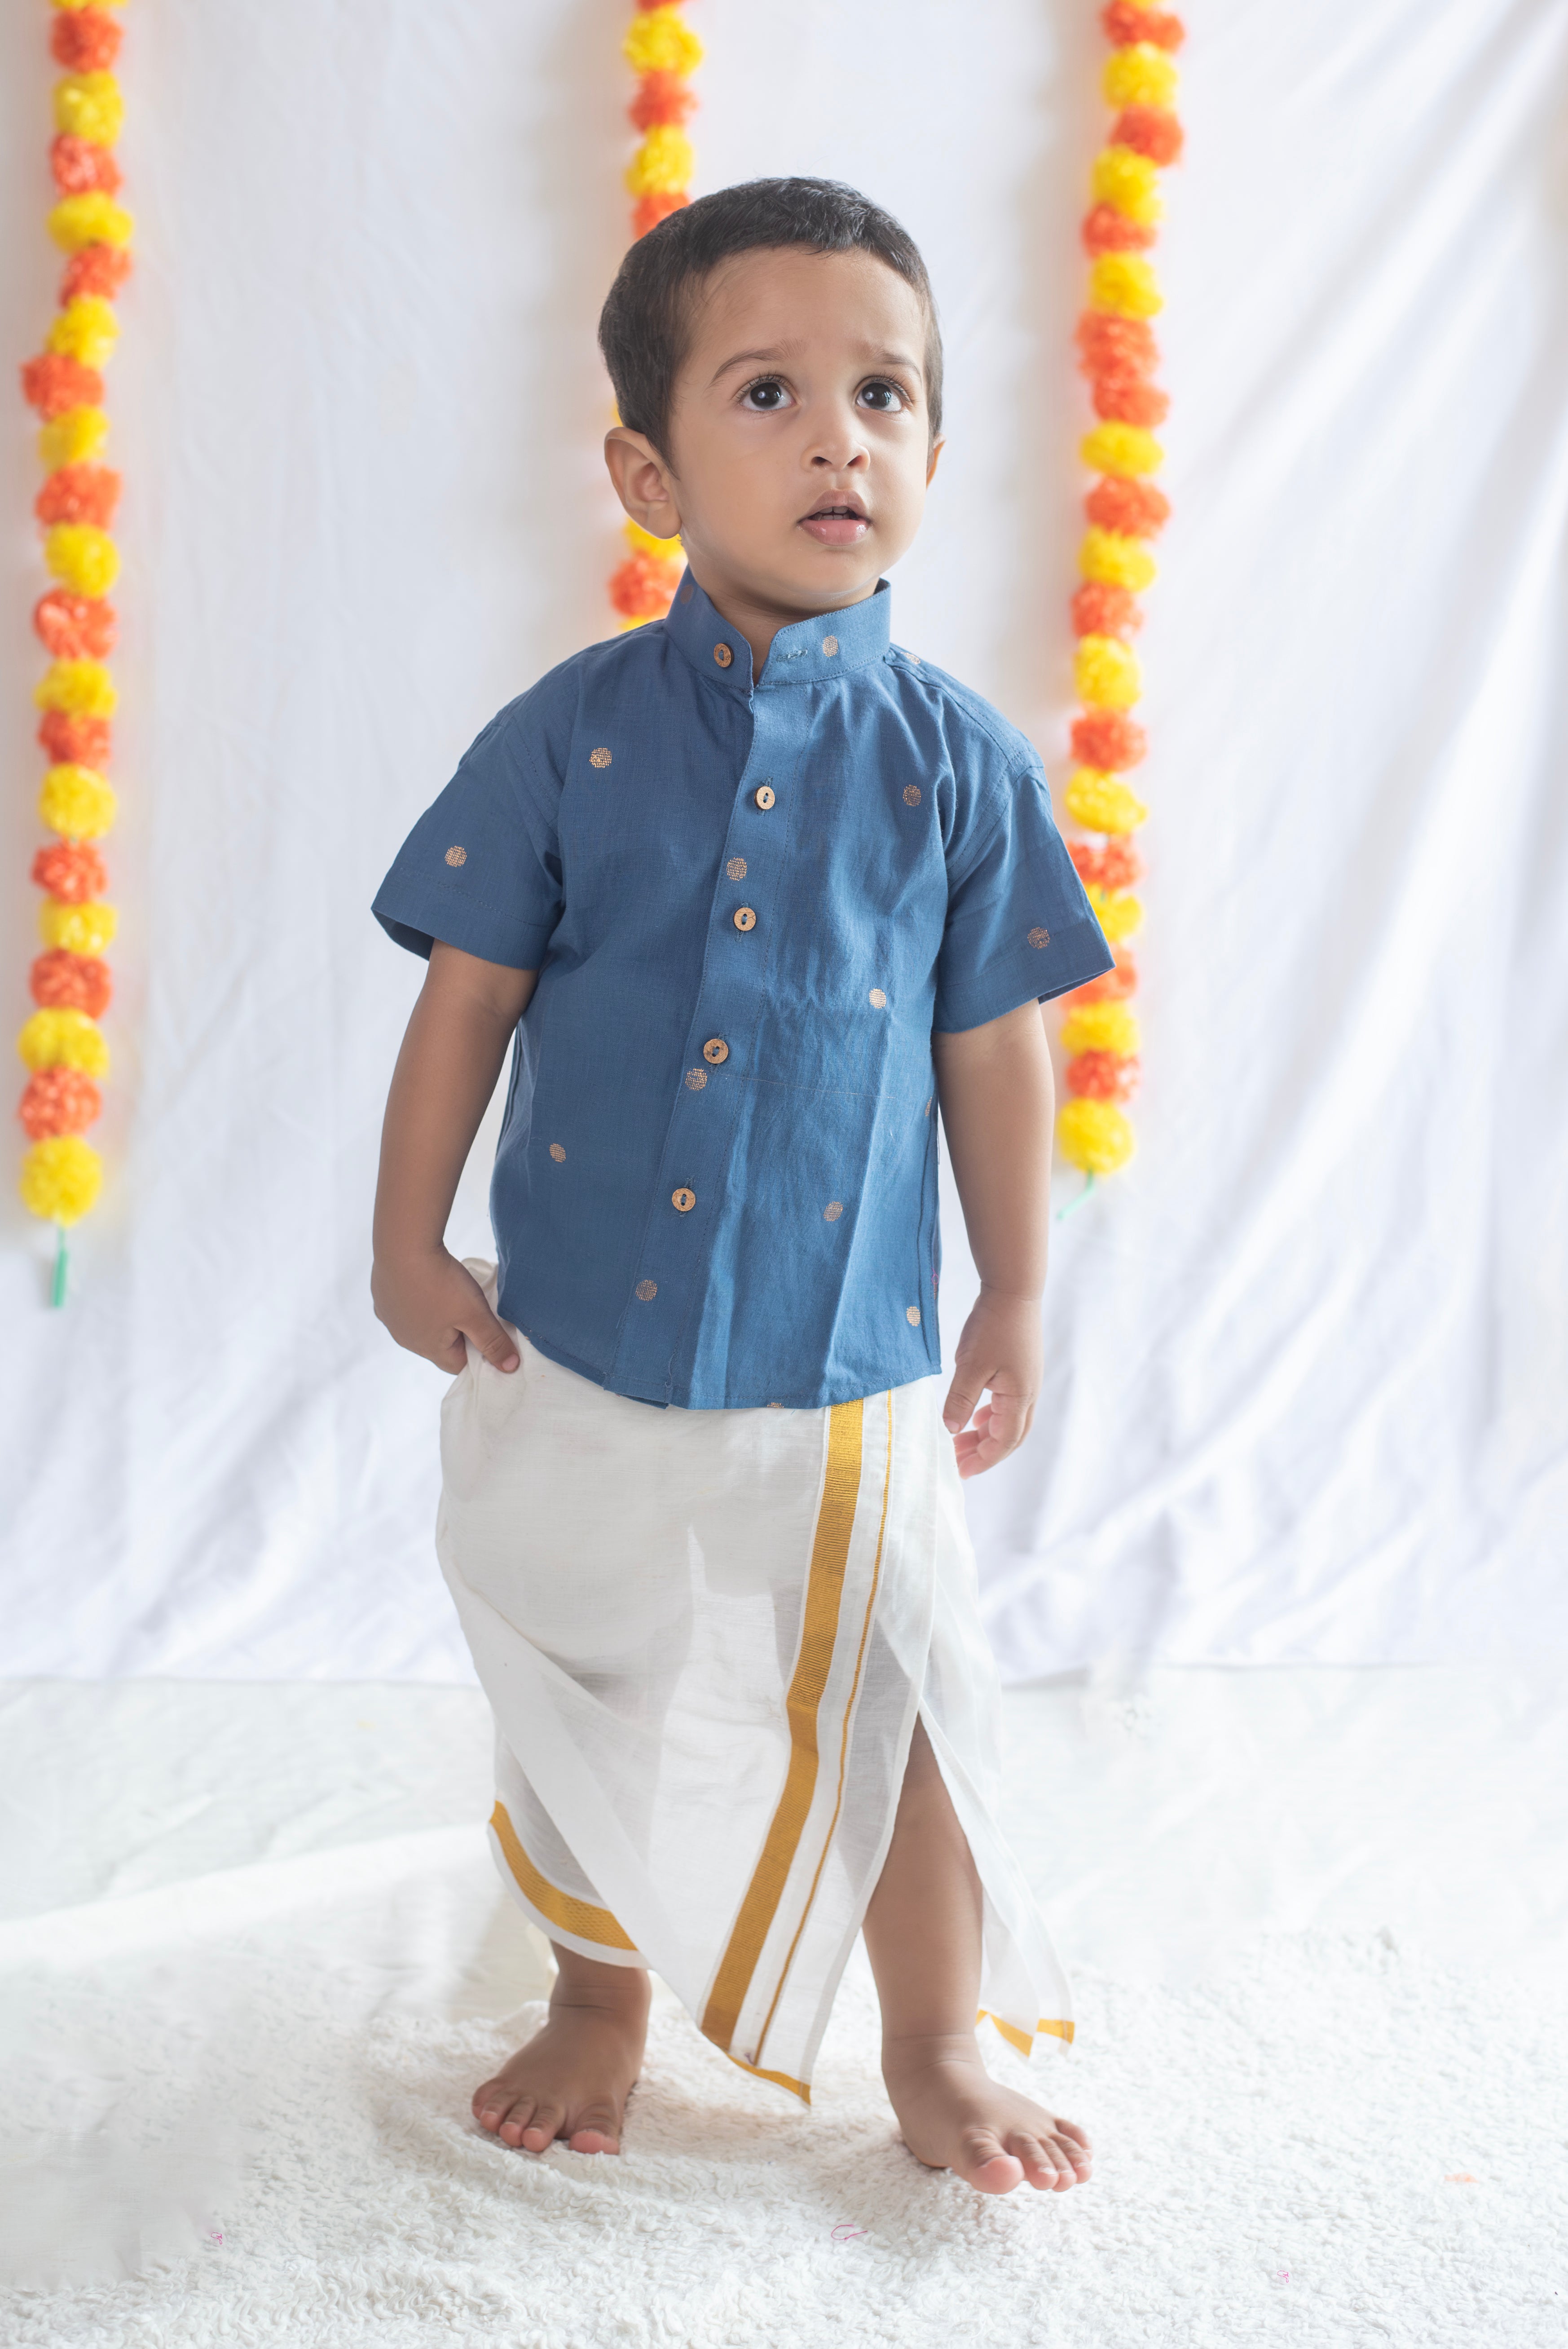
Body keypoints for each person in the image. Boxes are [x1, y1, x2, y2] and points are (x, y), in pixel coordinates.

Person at [370, 178, 1111, 2197]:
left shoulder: (959, 765)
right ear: (648, 472)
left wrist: (1017, 1290)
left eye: (884, 395)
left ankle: (934, 2034)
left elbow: (994, 1046)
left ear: (937, 448)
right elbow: (466, 996)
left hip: (845, 1354)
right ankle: (600, 1998)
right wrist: (405, 1238)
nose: (837, 440)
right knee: (588, 1670)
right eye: (769, 393)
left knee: (899, 1693)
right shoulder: (568, 739)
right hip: (578, 1337)